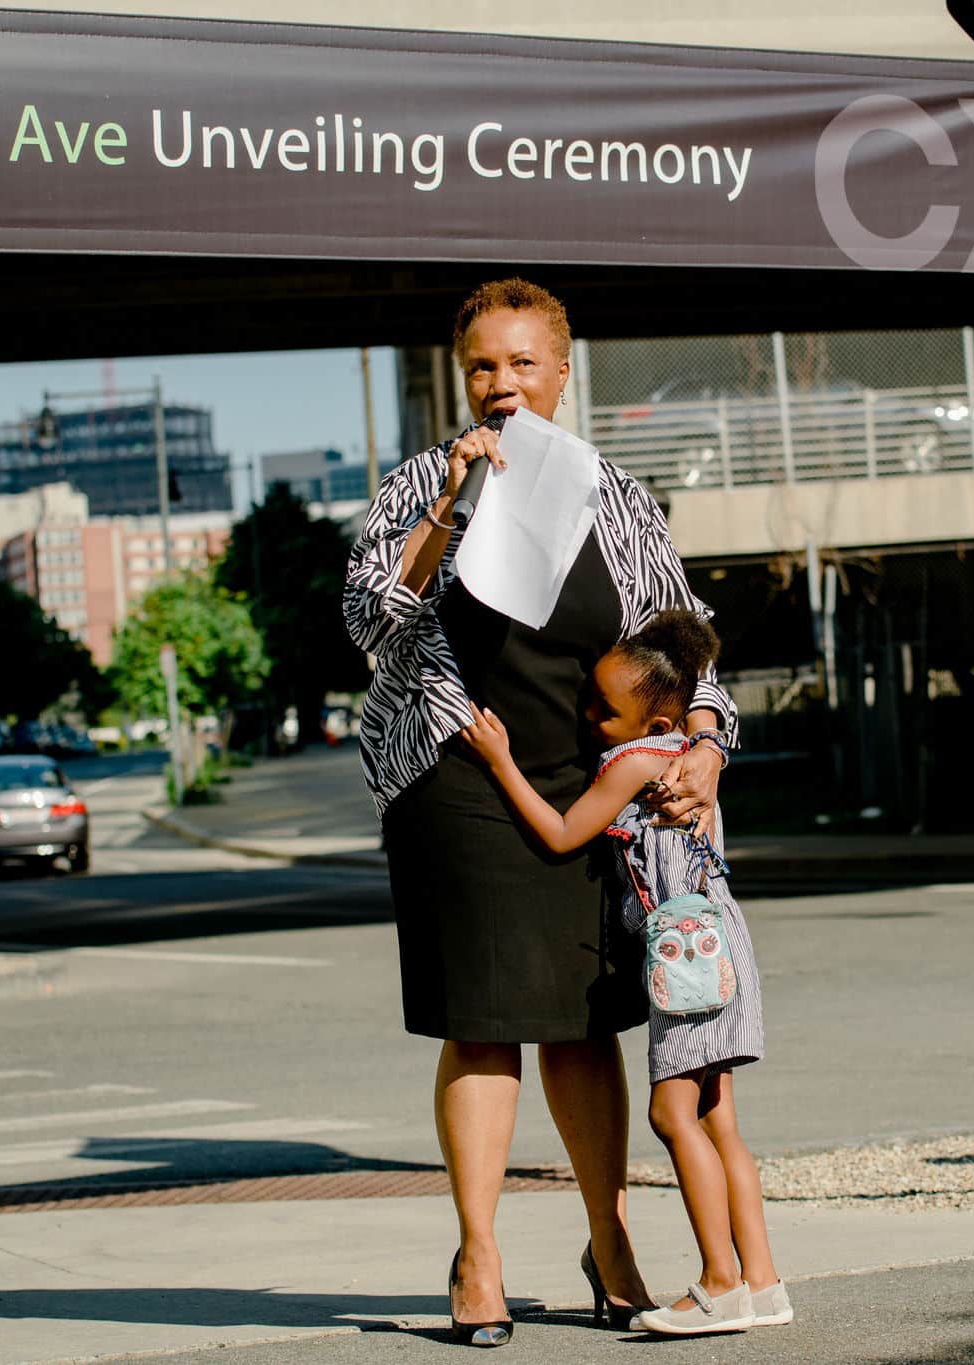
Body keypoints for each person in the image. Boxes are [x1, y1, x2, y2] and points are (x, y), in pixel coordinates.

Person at [343, 278, 736, 1346]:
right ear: (460, 377)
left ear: (562, 373)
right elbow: (372, 619)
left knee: (581, 1024)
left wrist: (700, 744)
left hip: (588, 780)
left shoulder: (617, 495)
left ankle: (608, 1240)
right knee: (483, 1019)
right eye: (483, 365)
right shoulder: (427, 480)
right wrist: (448, 508)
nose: (502, 383)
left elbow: (684, 640)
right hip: (457, 770)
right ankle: (477, 1255)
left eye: (523, 363)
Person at [459, 610, 789, 1337]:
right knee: (717, 1117)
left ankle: (719, 1282)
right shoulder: (692, 761)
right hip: (724, 942)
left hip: (686, 956)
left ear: (657, 716)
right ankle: (763, 1280)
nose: (589, 719)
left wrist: (500, 758)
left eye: (605, 709)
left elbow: (560, 833)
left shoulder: (636, 764)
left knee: (671, 1114)